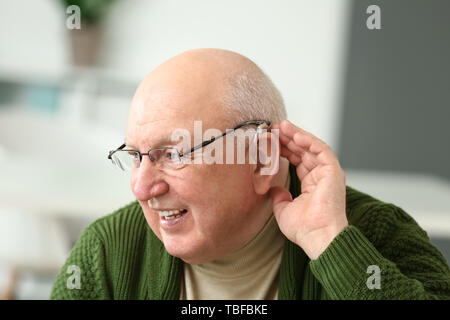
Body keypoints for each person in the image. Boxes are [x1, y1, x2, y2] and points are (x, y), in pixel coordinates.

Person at [50, 48, 450, 300]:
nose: (141, 187)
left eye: (171, 154)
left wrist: (331, 245)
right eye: (136, 156)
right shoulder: (108, 251)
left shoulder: (375, 237)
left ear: (261, 158)